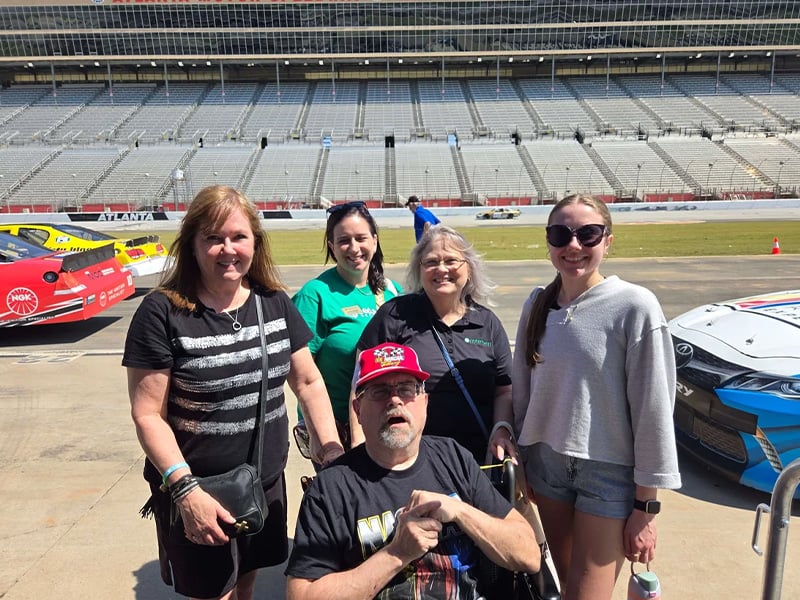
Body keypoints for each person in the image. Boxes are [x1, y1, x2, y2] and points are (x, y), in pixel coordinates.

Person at [123, 185, 344, 600]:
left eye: (238, 237)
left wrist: (329, 450)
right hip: (198, 487)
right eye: (213, 238)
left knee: (248, 578)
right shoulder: (162, 312)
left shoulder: (275, 303)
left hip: (265, 481)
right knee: (214, 591)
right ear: (191, 244)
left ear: (255, 243)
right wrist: (185, 492)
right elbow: (147, 413)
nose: (228, 249)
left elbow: (309, 382)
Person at [511, 194, 681, 600]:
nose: (573, 246)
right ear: (548, 241)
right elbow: (523, 390)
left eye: (588, 234)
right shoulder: (538, 302)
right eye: (560, 234)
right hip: (548, 466)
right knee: (568, 585)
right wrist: (525, 460)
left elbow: (653, 409)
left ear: (608, 241)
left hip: (608, 473)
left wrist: (646, 508)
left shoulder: (634, 306)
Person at [285, 342, 540, 600]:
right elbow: (302, 595)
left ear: (425, 402)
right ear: (358, 410)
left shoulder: (453, 458)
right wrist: (397, 553)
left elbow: (529, 555)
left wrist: (462, 512)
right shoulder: (331, 488)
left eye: (407, 389)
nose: (395, 400)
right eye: (379, 391)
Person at [356, 225, 515, 464]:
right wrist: (361, 448)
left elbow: (505, 389)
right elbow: (360, 385)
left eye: (451, 260)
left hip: (478, 461)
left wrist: (502, 429)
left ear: (469, 268)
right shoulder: (395, 315)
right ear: (419, 270)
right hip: (410, 460)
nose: (441, 269)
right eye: (431, 262)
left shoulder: (488, 323)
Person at [292, 201, 402, 448]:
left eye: (361, 238)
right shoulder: (315, 296)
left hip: (387, 424)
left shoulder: (392, 291)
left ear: (374, 241)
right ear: (332, 246)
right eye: (343, 241)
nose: (354, 248)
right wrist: (324, 438)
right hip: (336, 432)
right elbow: (300, 375)